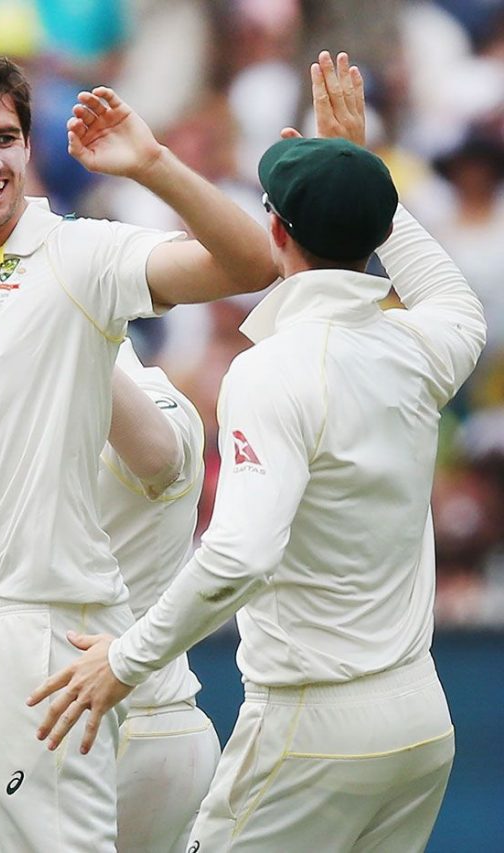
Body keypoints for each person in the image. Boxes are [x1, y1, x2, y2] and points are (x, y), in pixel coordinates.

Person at [31, 52, 483, 852]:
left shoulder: (271, 370)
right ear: (376, 235)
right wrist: (365, 170)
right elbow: (450, 295)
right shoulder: (426, 344)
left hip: (312, 726)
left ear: (275, 232)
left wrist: (124, 661)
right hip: (420, 718)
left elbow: (239, 554)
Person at [0, 44, 276, 851]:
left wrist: (150, 164)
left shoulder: (76, 256)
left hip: (48, 628)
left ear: (28, 145)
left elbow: (251, 262)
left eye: (5, 138)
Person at [99, 341, 221, 853]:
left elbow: (161, 458)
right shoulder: (17, 396)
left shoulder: (155, 397)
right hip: (77, 721)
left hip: (142, 722)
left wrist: (64, 329)